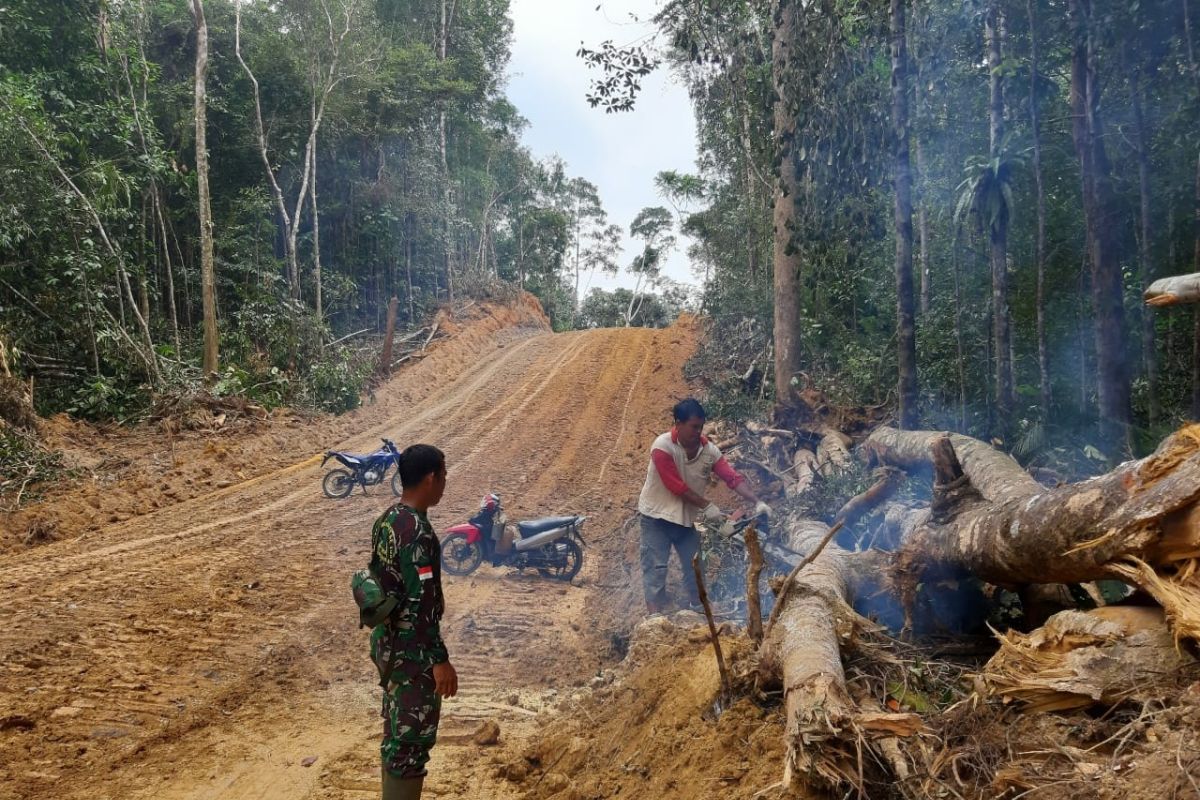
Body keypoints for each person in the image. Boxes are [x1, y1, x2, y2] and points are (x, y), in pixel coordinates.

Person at [369, 444, 458, 800]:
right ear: (431, 478)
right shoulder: (418, 533)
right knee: (411, 742)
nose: (445, 484)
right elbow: (422, 605)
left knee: (395, 732)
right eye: (444, 476)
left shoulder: (387, 520)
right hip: (412, 652)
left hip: (387, 644)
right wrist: (439, 659)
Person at [637, 398, 771, 614]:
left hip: (684, 520)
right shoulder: (662, 447)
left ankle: (698, 606)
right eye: (693, 427)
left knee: (695, 564)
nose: (697, 432)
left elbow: (732, 478)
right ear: (678, 424)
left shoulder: (709, 451)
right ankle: (654, 616)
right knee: (655, 567)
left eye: (700, 427)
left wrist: (757, 502)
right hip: (656, 517)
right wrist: (708, 507)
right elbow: (676, 486)